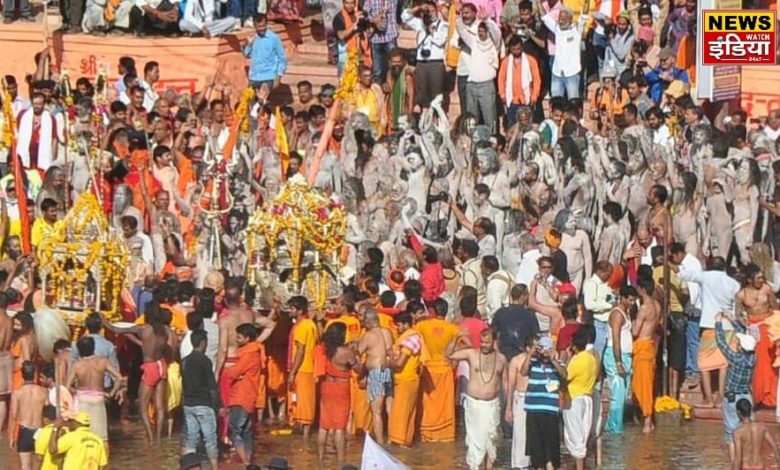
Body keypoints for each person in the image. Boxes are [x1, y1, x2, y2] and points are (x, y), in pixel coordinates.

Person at [103, 304, 172, 444]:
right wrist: (140, 343)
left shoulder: (144, 329)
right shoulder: (165, 330)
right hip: (162, 365)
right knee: (160, 406)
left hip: (150, 367)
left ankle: (150, 439)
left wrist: (103, 320)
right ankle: (159, 439)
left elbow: (116, 329)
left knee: (142, 405)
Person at [447, 328, 507, 470]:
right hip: (474, 404)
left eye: (487, 342)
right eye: (481, 341)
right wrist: (456, 338)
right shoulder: (471, 354)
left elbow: (505, 382)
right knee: (476, 441)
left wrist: (508, 406)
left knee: (491, 440)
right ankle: (475, 467)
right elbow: (448, 354)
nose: (483, 345)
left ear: (494, 342)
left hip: (493, 404)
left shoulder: (501, 358)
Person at [65, 336, 124, 449]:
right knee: (102, 439)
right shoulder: (102, 361)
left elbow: (67, 387)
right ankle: (103, 464)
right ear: (93, 348)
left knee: (83, 436)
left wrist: (77, 392)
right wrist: (111, 393)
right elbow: (119, 378)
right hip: (98, 398)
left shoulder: (77, 365)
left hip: (82, 400)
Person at [715, 311, 757, 461]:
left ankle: (735, 463)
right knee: (748, 429)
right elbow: (744, 336)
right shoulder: (753, 357)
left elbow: (721, 343)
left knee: (731, 434)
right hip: (746, 396)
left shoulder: (736, 358)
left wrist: (718, 323)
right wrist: (732, 320)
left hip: (732, 397)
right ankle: (748, 461)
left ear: (740, 348)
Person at [416, 298, 460, 442]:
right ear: (446, 312)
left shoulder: (422, 326)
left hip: (428, 370)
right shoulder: (453, 329)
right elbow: (461, 347)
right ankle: (444, 437)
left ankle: (427, 435)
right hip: (446, 370)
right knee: (445, 406)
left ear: (433, 311)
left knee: (428, 404)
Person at [317, 322, 360, 465]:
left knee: (324, 425)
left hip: (326, 386)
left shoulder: (323, 349)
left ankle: (321, 460)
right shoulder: (345, 352)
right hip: (341, 388)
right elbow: (359, 369)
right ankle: (341, 462)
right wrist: (356, 353)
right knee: (339, 427)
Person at [522, 335, 567, 470]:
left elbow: (565, 375)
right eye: (542, 349)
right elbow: (523, 372)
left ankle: (550, 465)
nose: (544, 353)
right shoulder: (533, 363)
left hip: (550, 410)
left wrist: (553, 360)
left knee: (551, 445)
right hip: (533, 409)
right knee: (536, 445)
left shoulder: (557, 363)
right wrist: (530, 354)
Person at [181, 330, 221, 469]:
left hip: (188, 404)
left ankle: (188, 466)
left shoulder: (185, 361)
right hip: (203, 403)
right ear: (203, 342)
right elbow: (211, 386)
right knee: (210, 439)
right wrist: (218, 405)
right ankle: (215, 468)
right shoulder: (205, 361)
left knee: (191, 438)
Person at [224, 323, 263, 464]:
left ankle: (246, 462)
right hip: (248, 396)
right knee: (246, 432)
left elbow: (233, 373)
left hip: (241, 397)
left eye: (239, 337)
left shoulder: (249, 355)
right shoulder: (253, 352)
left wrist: (228, 369)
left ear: (247, 338)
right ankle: (249, 460)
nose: (236, 339)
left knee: (234, 430)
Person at [401, 0, 449, 110]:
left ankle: (437, 120)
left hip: (435, 63)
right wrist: (417, 8)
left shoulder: (443, 25)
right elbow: (404, 17)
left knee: (436, 95)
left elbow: (440, 41)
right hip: (421, 63)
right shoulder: (420, 23)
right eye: (427, 11)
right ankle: (424, 119)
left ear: (437, 11)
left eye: (432, 11)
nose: (430, 13)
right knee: (422, 95)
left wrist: (430, 31)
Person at [387, 311, 425, 447]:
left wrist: (386, 363)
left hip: (407, 381)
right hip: (403, 381)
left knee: (401, 414)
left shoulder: (411, 338)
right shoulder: (405, 338)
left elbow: (399, 363)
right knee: (405, 412)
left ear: (406, 324)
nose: (397, 328)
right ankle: (404, 443)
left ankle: (400, 444)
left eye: (398, 325)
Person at [357, 306, 394, 444]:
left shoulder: (368, 335)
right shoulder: (387, 332)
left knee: (376, 411)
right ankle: (391, 438)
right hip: (388, 371)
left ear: (368, 322)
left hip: (376, 372)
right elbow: (390, 352)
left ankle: (380, 443)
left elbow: (357, 355)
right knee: (389, 409)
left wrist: (361, 373)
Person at [563, 329, 597, 470]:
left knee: (575, 436)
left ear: (574, 346)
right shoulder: (591, 358)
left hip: (575, 400)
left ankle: (579, 467)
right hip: (588, 399)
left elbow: (565, 376)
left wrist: (568, 357)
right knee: (582, 435)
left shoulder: (577, 360)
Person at [604, 286, 636, 434]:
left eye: (634, 300)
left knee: (622, 395)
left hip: (625, 356)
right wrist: (618, 363)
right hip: (616, 356)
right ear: (623, 298)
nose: (632, 303)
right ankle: (614, 428)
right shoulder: (617, 314)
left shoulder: (627, 313)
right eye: (630, 300)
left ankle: (614, 425)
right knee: (617, 394)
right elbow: (616, 339)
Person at [632, 277, 661, 434]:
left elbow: (636, 331)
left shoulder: (644, 308)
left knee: (642, 386)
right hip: (649, 345)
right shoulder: (657, 305)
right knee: (647, 385)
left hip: (642, 346)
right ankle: (648, 420)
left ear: (642, 290)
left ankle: (647, 422)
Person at [287, 295, 318, 440]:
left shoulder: (304, 326)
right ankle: (301, 434)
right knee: (298, 400)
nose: (289, 311)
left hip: (303, 369)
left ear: (299, 311)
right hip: (305, 369)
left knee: (304, 402)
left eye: (292, 308)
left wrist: (292, 372)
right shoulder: (309, 324)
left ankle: (305, 437)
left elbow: (300, 350)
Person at [9, 361, 47, 470]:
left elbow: (14, 415)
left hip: (24, 430)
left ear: (22, 374)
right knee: (39, 464)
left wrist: (12, 436)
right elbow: (47, 412)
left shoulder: (17, 393)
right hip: (39, 430)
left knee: (25, 466)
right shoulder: (43, 391)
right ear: (35, 374)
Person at [243, 14, 288, 90]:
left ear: (266, 24)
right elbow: (246, 55)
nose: (262, 28)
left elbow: (282, 59)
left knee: (263, 101)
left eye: (263, 26)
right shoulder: (253, 38)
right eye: (259, 26)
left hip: (268, 77)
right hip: (254, 77)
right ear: (255, 26)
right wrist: (248, 44)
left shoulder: (274, 38)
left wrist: (278, 77)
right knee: (248, 101)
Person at [733, 398, 780, 470]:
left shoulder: (738, 432)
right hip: (760, 466)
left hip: (746, 466)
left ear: (738, 412)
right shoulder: (762, 427)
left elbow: (738, 457)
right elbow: (774, 447)